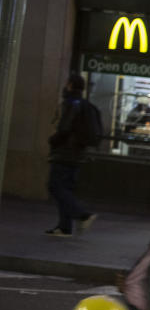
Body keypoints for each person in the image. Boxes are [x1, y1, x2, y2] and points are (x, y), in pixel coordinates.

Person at [46, 73, 97, 237]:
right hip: (77, 154)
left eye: (67, 83)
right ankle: (64, 227)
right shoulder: (83, 104)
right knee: (66, 189)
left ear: (69, 85)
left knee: (55, 186)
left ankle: (83, 215)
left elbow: (64, 128)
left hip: (65, 153)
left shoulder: (71, 103)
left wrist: (53, 140)